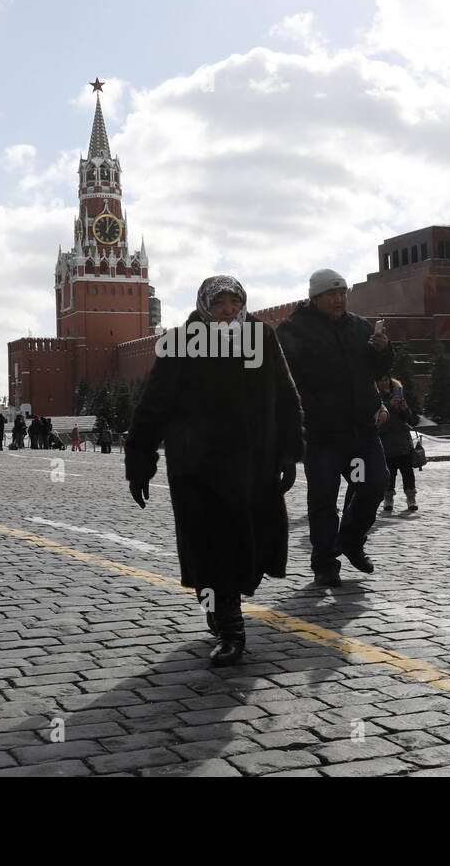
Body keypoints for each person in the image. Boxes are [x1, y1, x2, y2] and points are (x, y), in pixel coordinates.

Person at [126, 275, 304, 667]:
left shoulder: (261, 336)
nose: (227, 311)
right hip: (198, 465)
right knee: (212, 542)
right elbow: (154, 403)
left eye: (233, 303)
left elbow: (285, 393)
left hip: (253, 461)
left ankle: (222, 604)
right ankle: (230, 625)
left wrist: (289, 451)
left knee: (251, 542)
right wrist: (140, 461)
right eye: (219, 303)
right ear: (205, 305)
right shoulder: (182, 342)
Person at [276, 268, 392, 587]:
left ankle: (351, 540)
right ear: (315, 298)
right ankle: (325, 563)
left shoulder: (359, 327)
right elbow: (281, 382)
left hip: (360, 433)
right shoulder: (294, 330)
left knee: (373, 484)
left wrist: (383, 351)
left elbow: (377, 369)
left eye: (343, 292)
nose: (339, 298)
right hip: (322, 436)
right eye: (332, 293)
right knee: (324, 500)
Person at [376, 374, 418, 512]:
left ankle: (411, 498)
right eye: (381, 380)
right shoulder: (376, 398)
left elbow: (410, 420)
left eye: (386, 380)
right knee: (390, 474)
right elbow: (380, 422)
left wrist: (405, 409)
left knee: (407, 473)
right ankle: (388, 499)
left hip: (402, 442)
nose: (384, 383)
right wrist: (390, 406)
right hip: (386, 443)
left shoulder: (398, 395)